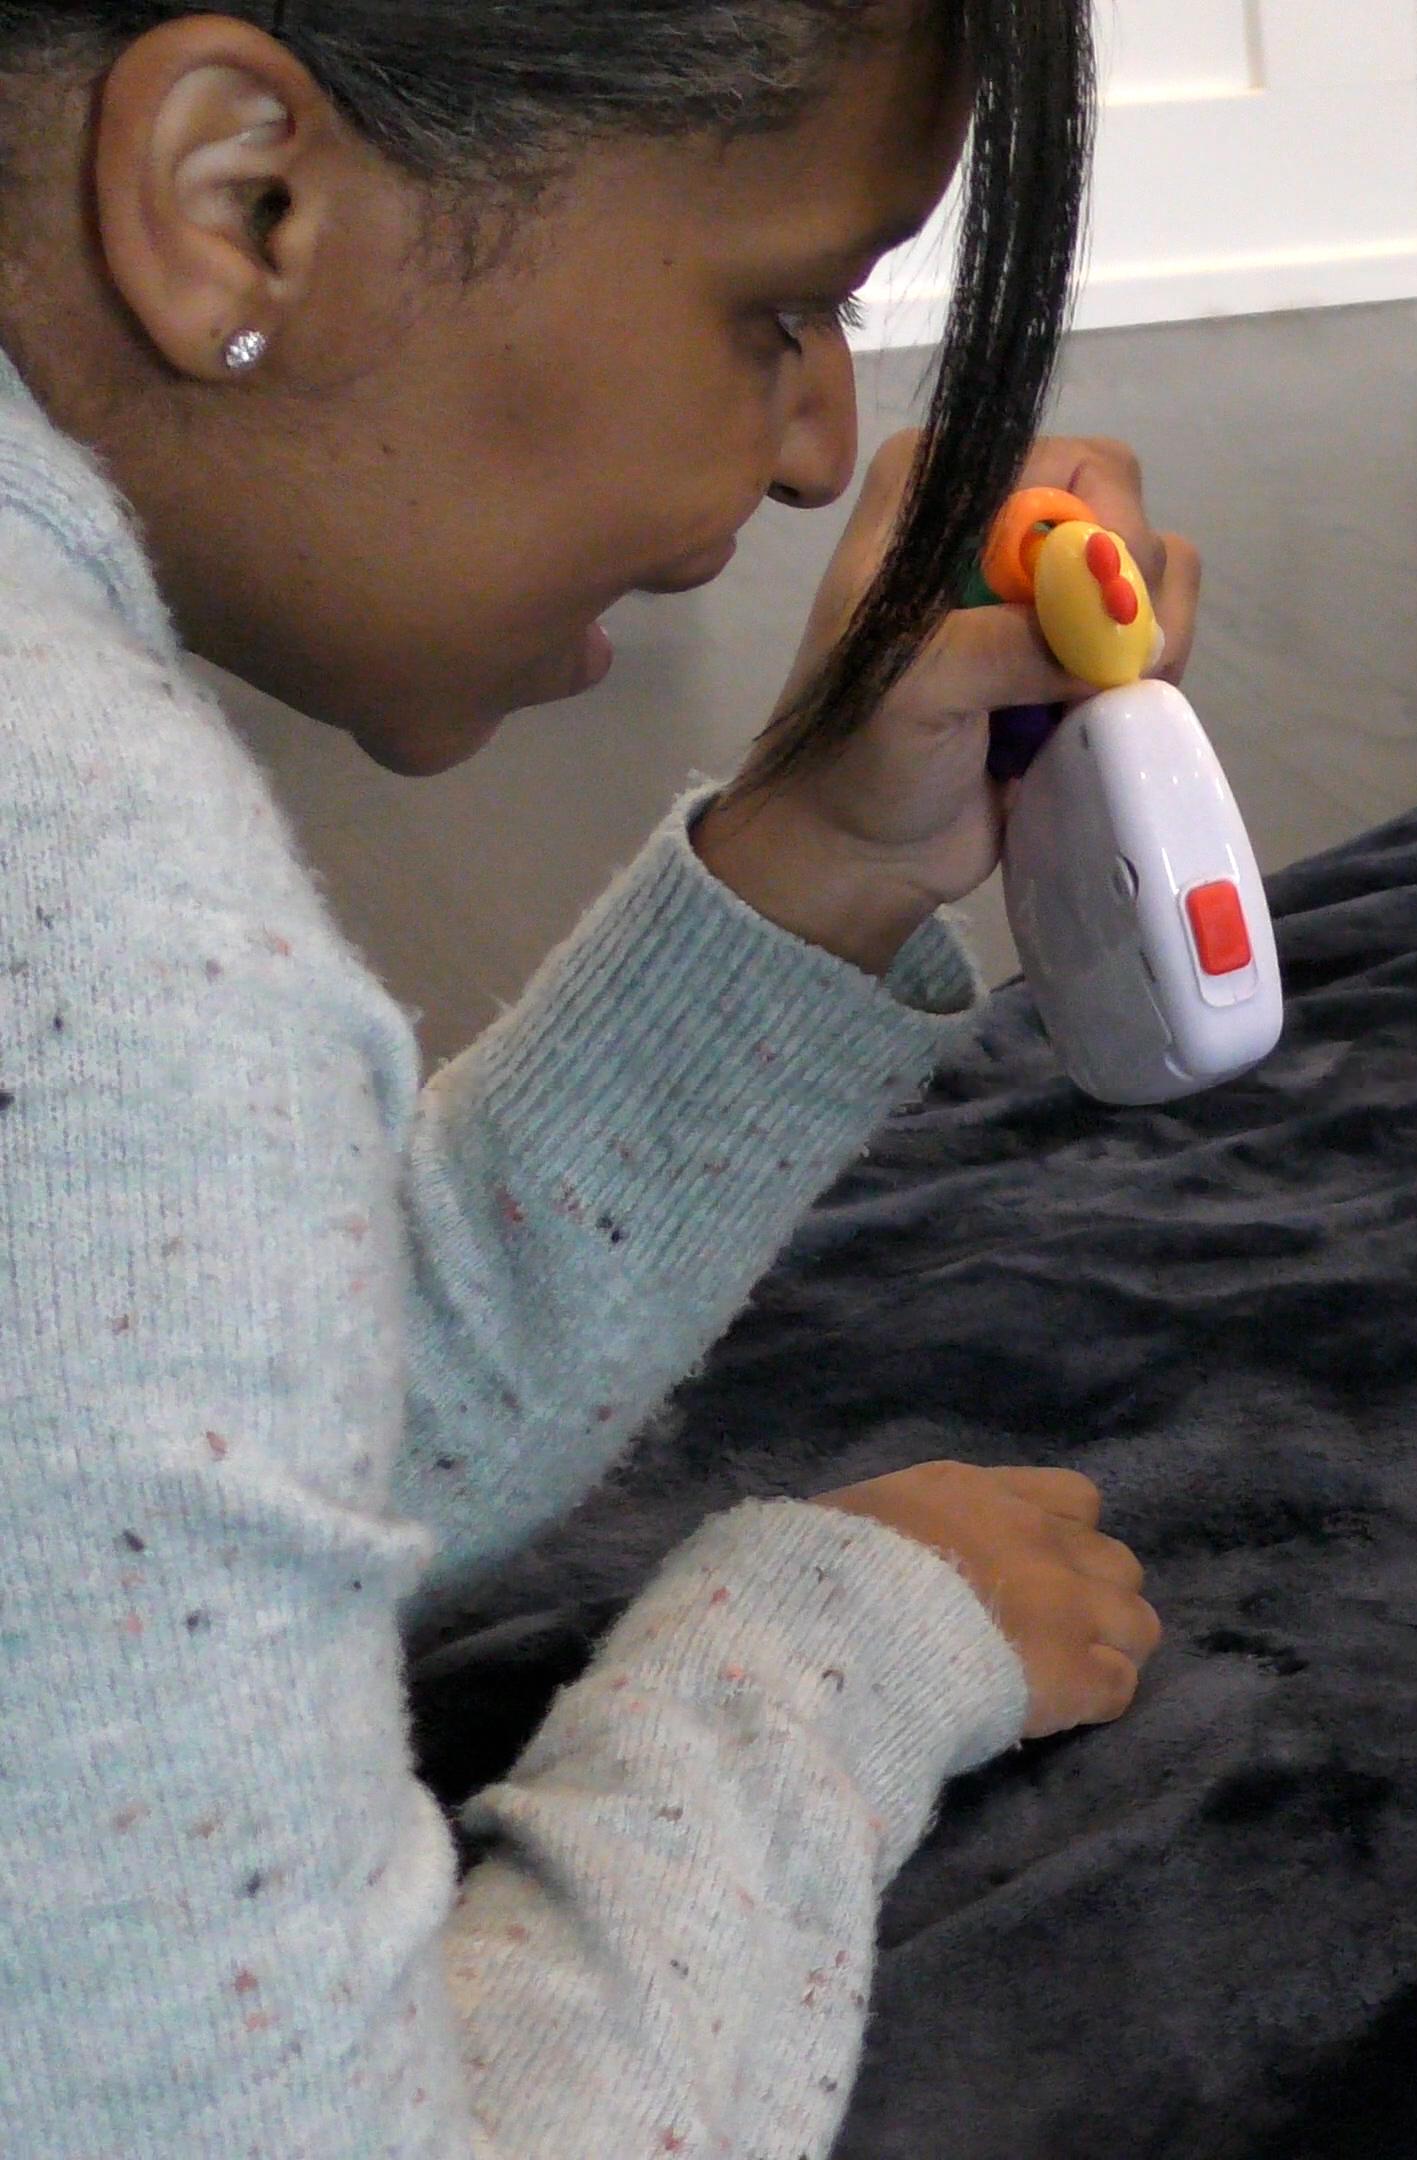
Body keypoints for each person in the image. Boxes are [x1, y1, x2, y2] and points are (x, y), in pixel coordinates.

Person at [0, 4, 1187, 2152]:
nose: (829, 446)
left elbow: (127, 1478)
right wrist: (791, 1682)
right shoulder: (94, 918)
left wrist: (825, 852)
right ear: (238, 200)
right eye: (786, 303)